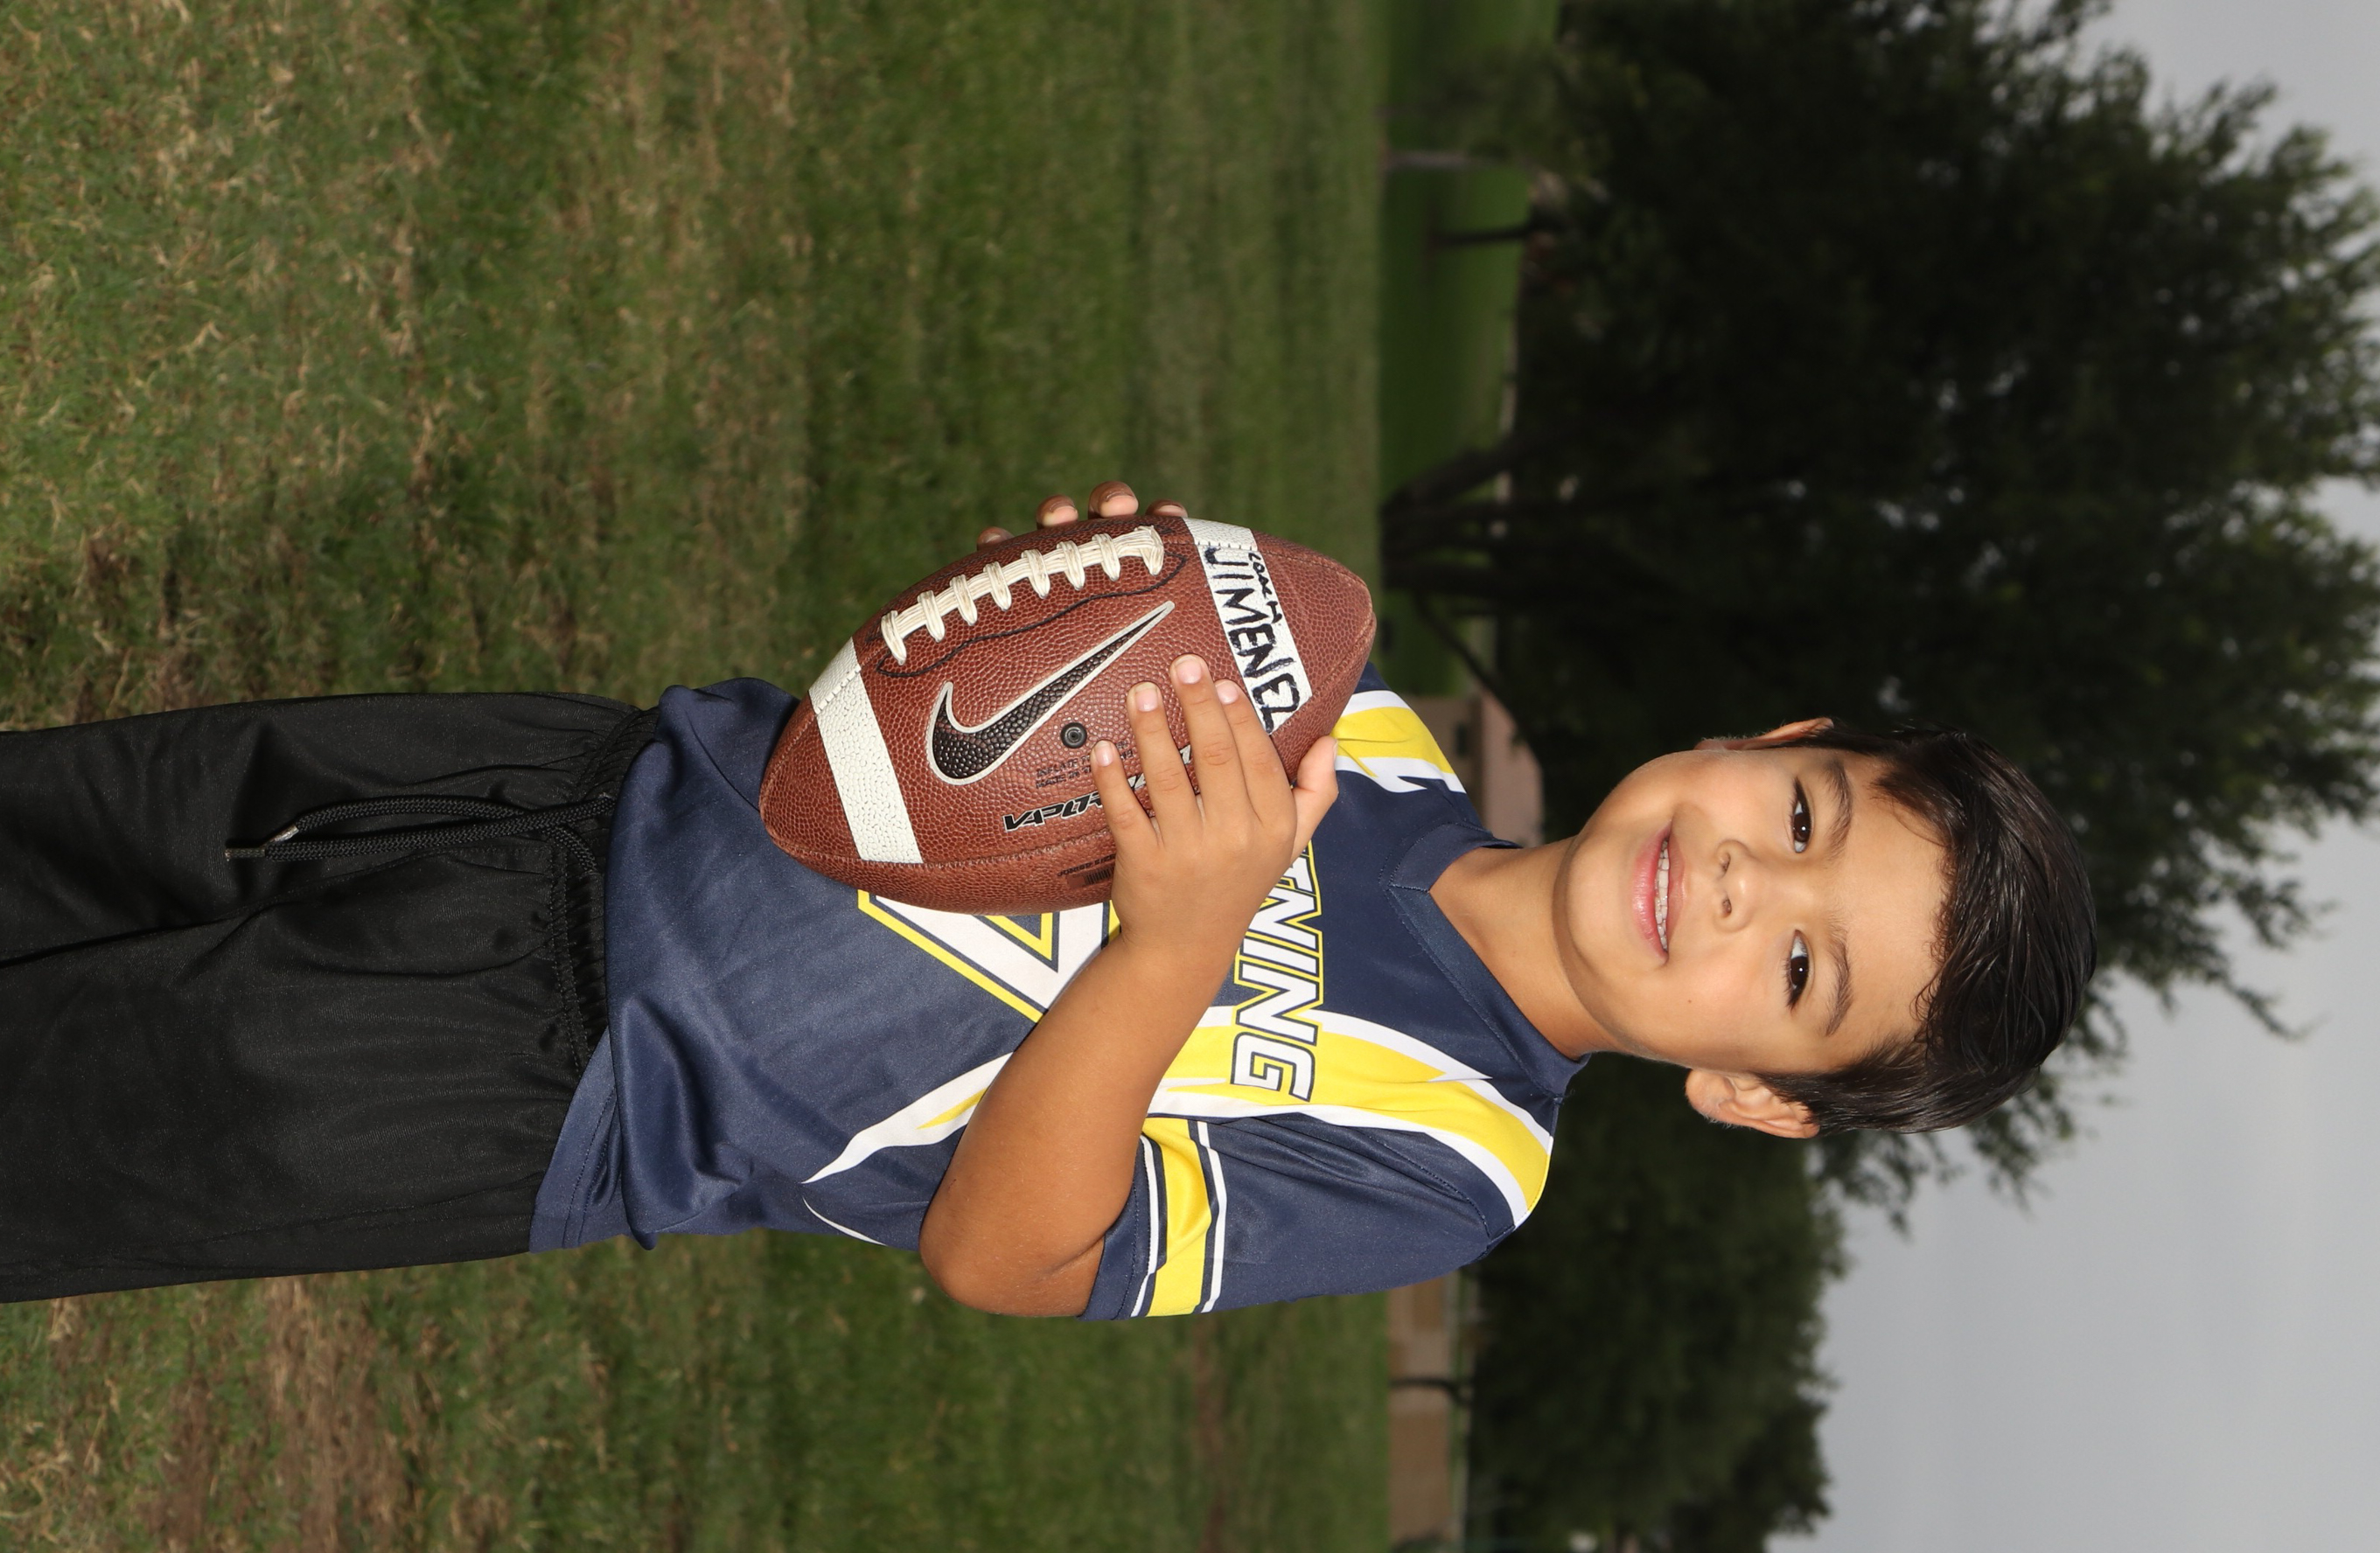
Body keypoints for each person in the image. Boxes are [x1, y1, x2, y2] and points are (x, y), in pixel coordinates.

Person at [0, 484, 2093, 1314]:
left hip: (551, 1087)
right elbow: (938, 742)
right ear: (1773, 733)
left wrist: (1178, 947)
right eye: (1800, 811)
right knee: (68, 824)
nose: (1732, 878)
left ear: (1752, 1094)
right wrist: (1042, 603)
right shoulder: (1346, 707)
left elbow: (1010, 1255)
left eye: (1796, 967)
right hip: (573, 782)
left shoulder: (1456, 1155)